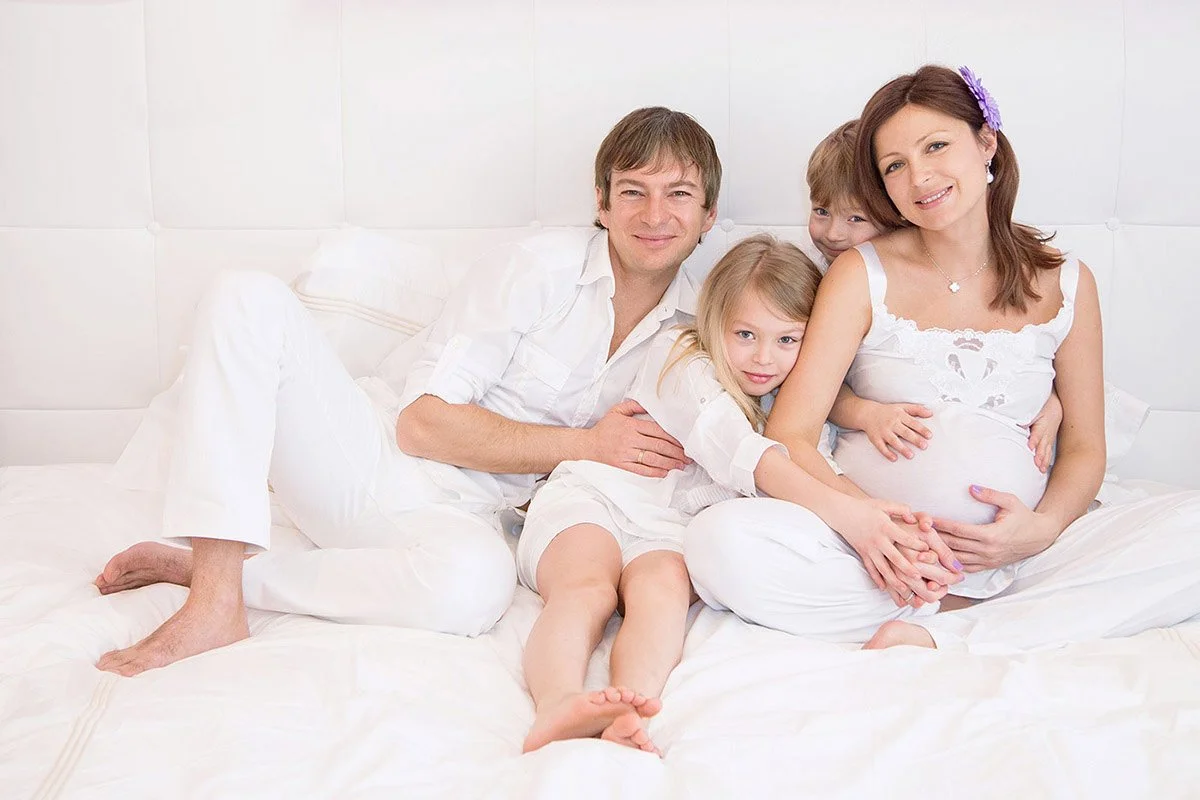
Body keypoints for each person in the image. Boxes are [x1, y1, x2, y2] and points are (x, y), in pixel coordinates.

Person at [93, 106, 718, 677]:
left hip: (474, 522)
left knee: (475, 592)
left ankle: (230, 576)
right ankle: (212, 599)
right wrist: (587, 445)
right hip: (373, 464)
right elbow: (423, 425)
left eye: (678, 195)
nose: (654, 215)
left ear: (708, 216)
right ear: (603, 204)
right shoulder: (537, 270)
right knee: (244, 295)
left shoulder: (707, 322)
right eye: (633, 191)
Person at [687, 65, 1200, 652]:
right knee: (717, 543)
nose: (919, 176)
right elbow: (792, 431)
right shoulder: (860, 274)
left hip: (1025, 555)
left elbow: (1086, 446)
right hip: (871, 550)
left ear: (986, 143)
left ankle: (959, 626)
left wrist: (1040, 530)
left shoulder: (1068, 282)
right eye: (894, 165)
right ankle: (964, 609)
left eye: (936, 146)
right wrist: (876, 525)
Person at [518, 234, 960, 754]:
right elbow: (744, 453)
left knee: (660, 596)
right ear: (713, 322)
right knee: (587, 588)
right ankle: (557, 705)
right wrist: (857, 516)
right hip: (599, 496)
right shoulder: (682, 359)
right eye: (745, 334)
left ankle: (629, 708)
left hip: (669, 530)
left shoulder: (794, 403)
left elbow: (814, 467)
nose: (763, 358)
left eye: (787, 340)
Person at [808, 119, 1062, 470]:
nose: (834, 233)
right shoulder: (815, 285)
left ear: (896, 218)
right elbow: (804, 391)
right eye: (822, 211)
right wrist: (864, 412)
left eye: (856, 219)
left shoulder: (902, 278)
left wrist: (1050, 400)